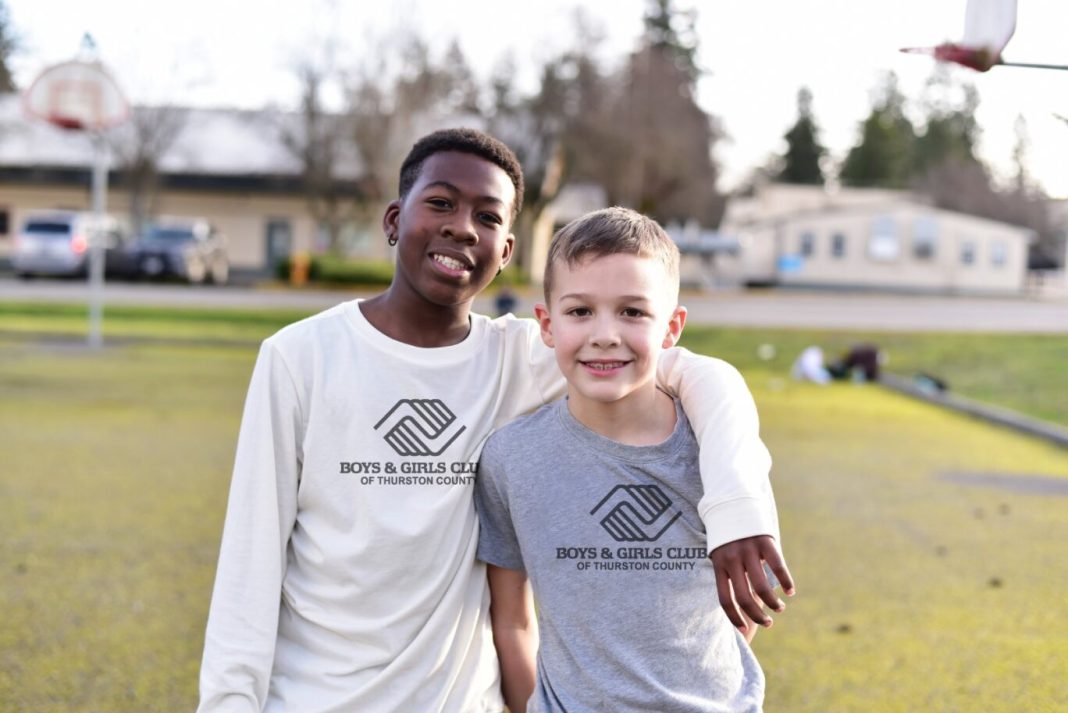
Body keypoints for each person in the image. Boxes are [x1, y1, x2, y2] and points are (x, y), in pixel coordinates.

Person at [197, 129, 792, 712]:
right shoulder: (300, 355)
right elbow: (252, 555)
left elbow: (694, 372)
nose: (461, 226)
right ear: (393, 220)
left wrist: (736, 509)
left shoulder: (522, 357)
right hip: (311, 698)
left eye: (488, 216)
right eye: (440, 203)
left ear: (506, 251)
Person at [475, 207, 786, 712]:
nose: (605, 334)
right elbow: (511, 617)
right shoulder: (510, 458)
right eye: (580, 311)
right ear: (547, 324)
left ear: (672, 327)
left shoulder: (721, 454)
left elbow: (743, 610)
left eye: (633, 312)